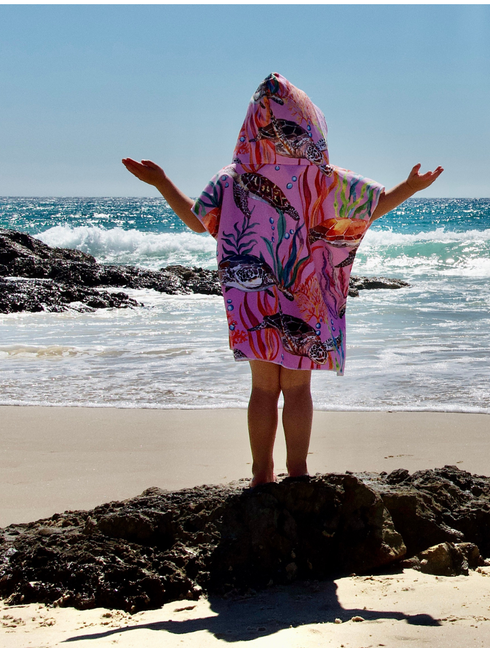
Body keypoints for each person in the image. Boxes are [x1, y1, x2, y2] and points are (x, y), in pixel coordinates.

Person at [123, 72, 442, 487]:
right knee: (296, 390)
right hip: (302, 292)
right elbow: (372, 207)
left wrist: (162, 182)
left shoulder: (233, 174)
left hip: (251, 297)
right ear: (308, 122)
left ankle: (261, 473)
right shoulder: (322, 176)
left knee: (262, 390)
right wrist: (411, 187)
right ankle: (297, 472)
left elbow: (198, 223)